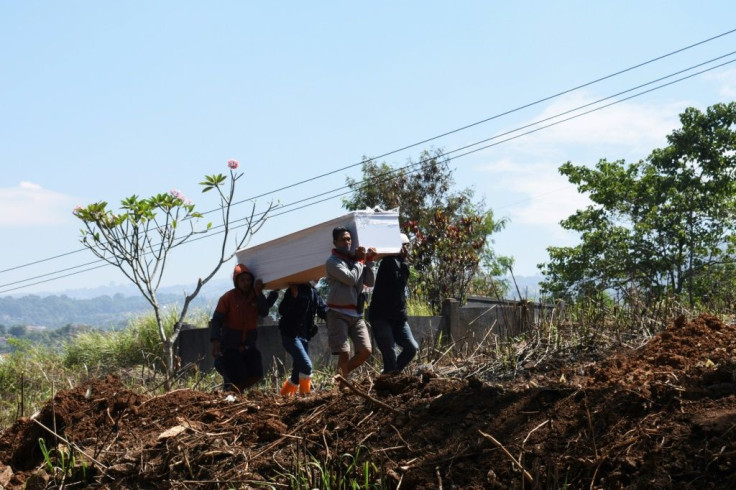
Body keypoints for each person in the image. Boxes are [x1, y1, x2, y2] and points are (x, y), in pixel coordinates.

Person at [209, 263, 278, 392]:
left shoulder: (256, 296)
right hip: (230, 347)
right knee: (238, 376)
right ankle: (231, 392)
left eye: (248, 280)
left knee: (257, 374)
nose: (246, 283)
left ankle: (232, 391)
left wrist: (259, 294)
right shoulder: (227, 298)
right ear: (236, 282)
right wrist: (215, 341)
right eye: (242, 280)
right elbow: (216, 320)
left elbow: (264, 311)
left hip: (249, 346)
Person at [325, 226, 376, 388]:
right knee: (344, 352)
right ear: (335, 242)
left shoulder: (355, 261)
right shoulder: (332, 262)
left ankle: (340, 376)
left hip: (355, 313)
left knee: (366, 350)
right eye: (343, 239)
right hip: (337, 312)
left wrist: (370, 262)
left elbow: (370, 282)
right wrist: (361, 261)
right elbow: (350, 279)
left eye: (349, 239)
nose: (347, 242)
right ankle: (342, 387)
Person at [368, 233, 418, 374]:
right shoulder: (389, 262)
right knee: (390, 353)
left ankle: (391, 374)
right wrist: (404, 262)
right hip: (382, 316)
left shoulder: (399, 262)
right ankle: (390, 375)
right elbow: (398, 284)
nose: (407, 250)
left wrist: (404, 262)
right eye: (405, 246)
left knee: (411, 348)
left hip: (397, 316)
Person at [277, 282, 328, 396]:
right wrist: (294, 297)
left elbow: (323, 310)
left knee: (297, 374)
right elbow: (282, 310)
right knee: (306, 366)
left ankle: (283, 397)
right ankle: (306, 398)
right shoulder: (294, 289)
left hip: (304, 337)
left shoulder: (314, 292)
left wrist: (336, 317)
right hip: (291, 336)